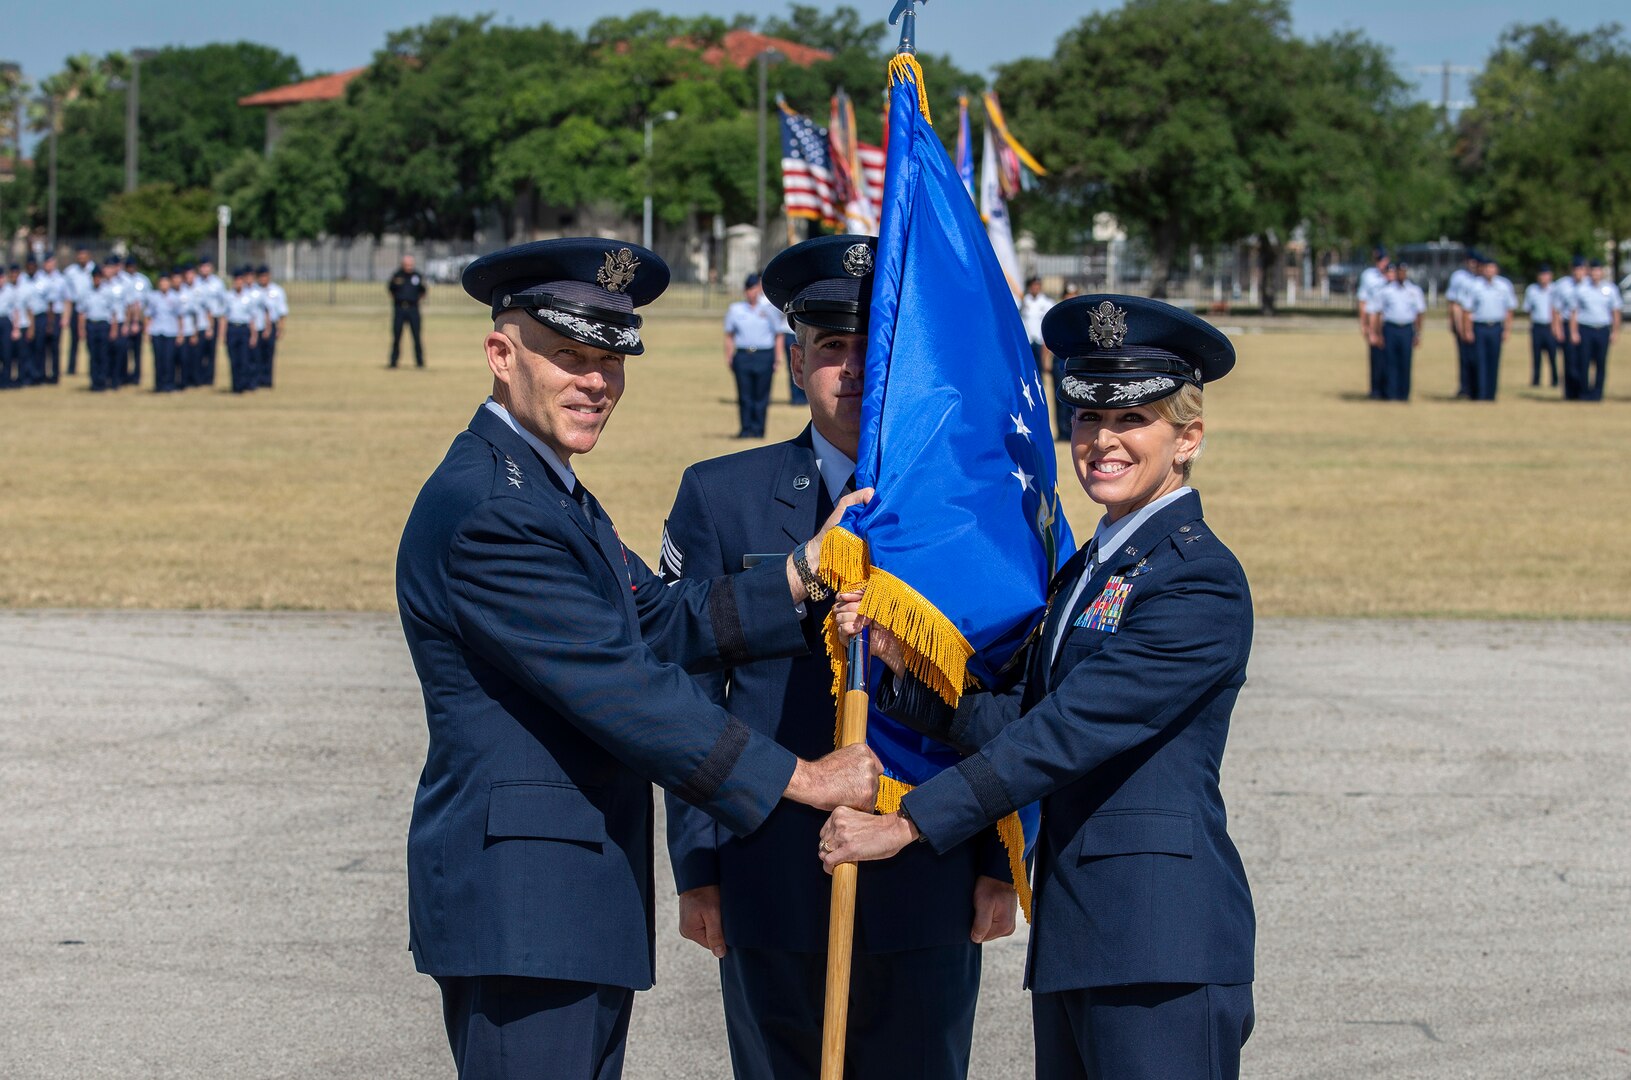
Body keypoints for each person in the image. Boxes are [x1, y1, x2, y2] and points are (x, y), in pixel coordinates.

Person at [396, 238, 882, 1080]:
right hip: (526, 905)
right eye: (570, 358)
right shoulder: (493, 509)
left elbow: (657, 618)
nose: (596, 382)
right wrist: (806, 780)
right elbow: (627, 689)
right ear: (500, 355)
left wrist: (800, 575)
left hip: (561, 901)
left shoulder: (541, 488)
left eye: (611, 359)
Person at [820, 294, 1255, 1080]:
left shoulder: (1196, 583)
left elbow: (1065, 736)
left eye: (1133, 420)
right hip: (1087, 934)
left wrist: (910, 823)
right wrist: (898, 667)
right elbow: (1024, 716)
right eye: (1086, 418)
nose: (1102, 441)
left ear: (1187, 438)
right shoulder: (1093, 568)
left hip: (1159, 942)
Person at [659, 235, 1017, 1080]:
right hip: (766, 866)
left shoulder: (968, 507)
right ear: (792, 359)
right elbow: (685, 685)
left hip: (926, 861)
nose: (852, 371)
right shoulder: (722, 494)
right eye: (830, 348)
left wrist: (1000, 861)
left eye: (874, 350)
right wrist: (697, 865)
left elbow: (1007, 686)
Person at [722, 272, 784, 439]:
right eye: (750, 289)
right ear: (745, 291)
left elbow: (778, 334)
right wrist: (729, 356)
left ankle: (758, 430)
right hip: (743, 355)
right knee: (744, 395)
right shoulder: (735, 309)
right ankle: (745, 428)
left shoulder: (769, 310)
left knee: (761, 396)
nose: (753, 293)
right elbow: (729, 335)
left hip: (764, 355)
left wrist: (778, 358)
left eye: (755, 289)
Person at [1462, 255, 1516, 401]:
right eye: (1487, 268)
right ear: (1482, 269)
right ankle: (1480, 393)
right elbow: (1467, 310)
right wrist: (1467, 330)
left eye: (1492, 267)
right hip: (1479, 327)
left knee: (1494, 361)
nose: (1489, 271)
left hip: (1496, 327)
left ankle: (1491, 394)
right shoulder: (1475, 286)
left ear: (1496, 270)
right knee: (1479, 361)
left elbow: (1509, 310)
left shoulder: (1504, 286)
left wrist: (1507, 329)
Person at [1568, 259, 1622, 403]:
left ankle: (1597, 393)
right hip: (1585, 328)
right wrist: (1573, 332)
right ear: (1589, 272)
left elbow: (1615, 312)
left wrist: (1615, 331)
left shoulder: (1610, 289)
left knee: (1600, 363)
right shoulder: (1581, 289)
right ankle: (1584, 392)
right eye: (1593, 271)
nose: (1595, 274)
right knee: (1583, 362)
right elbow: (1574, 312)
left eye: (1598, 271)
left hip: (1602, 329)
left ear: (1602, 272)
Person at [1371, 261, 1426, 401]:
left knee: (1405, 362)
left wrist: (1417, 333)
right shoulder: (1386, 291)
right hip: (1390, 328)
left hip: (1406, 329)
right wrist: (1378, 333)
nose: (1401, 274)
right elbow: (1378, 312)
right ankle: (1391, 393)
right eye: (1399, 272)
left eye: (1403, 271)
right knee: (1391, 362)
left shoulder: (1414, 291)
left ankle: (1404, 394)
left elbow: (1419, 313)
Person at [1022, 276, 1064, 439]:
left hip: (1040, 343)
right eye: (1033, 286)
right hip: (1027, 342)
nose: (1035, 288)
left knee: (1040, 381)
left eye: (1037, 285)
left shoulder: (1045, 303)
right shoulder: (1023, 302)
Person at [1446, 249, 1481, 398]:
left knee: (1478, 357)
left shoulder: (1481, 279)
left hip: (1479, 323)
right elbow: (1454, 303)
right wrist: (1456, 324)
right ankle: (1465, 387)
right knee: (1464, 357)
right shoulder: (1459, 277)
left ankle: (1479, 387)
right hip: (1462, 320)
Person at [1553, 256, 1588, 400]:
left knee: (1584, 360)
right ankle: (1569, 393)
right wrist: (1557, 329)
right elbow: (1556, 309)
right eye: (1575, 269)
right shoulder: (1562, 285)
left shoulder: (1589, 284)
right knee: (1570, 361)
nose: (1578, 272)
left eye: (1580, 269)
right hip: (1567, 325)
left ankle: (1583, 391)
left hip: (1586, 326)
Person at [1356, 247, 1389, 399]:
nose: (1381, 263)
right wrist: (1364, 324)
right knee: (1376, 357)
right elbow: (1363, 301)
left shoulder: (1393, 274)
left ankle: (1390, 389)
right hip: (1374, 320)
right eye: (1378, 260)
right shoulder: (1368, 276)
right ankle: (1375, 390)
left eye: (1383, 259)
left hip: (1389, 322)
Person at [222, 266, 260, 393]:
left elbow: (252, 318)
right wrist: (222, 335)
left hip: (244, 330)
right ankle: (236, 386)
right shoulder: (228, 297)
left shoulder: (248, 297)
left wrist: (254, 335)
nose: (238, 283)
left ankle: (244, 384)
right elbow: (224, 317)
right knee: (234, 360)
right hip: (232, 329)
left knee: (244, 359)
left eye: (240, 280)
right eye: (236, 280)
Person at [1523, 264, 1559, 389]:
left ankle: (1555, 380)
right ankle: (1536, 380)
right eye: (1542, 275)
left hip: (1550, 326)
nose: (1544, 277)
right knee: (1536, 356)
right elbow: (1528, 309)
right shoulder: (1532, 290)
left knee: (1552, 355)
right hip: (1537, 326)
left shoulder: (1555, 289)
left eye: (1546, 274)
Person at [388, 255, 427, 368]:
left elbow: (423, 291)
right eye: (407, 264)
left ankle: (420, 362)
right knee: (396, 336)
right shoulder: (397, 275)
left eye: (410, 264)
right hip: (399, 309)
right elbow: (390, 290)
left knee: (416, 336)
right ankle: (393, 362)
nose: (409, 266)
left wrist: (415, 301)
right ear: (402, 264)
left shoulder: (417, 276)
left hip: (413, 309)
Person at [145, 271, 182, 393]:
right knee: (158, 360)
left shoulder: (175, 298)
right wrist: (147, 332)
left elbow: (179, 316)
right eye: (162, 282)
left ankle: (169, 384)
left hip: (171, 332)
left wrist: (180, 333)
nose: (164, 284)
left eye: (166, 282)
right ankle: (159, 385)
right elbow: (148, 315)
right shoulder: (153, 297)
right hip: (157, 331)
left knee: (169, 359)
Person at [62, 248, 96, 378]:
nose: (82, 257)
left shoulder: (95, 269)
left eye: (84, 255)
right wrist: (66, 316)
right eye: (80, 255)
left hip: (91, 307)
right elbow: (68, 297)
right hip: (76, 307)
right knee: (74, 339)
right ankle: (71, 368)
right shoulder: (70, 272)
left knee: (91, 339)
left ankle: (92, 367)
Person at [195, 258, 228, 386]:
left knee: (211, 351)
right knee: (198, 351)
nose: (205, 269)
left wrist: (220, 324)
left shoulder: (217, 283)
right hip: (199, 320)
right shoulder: (196, 282)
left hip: (213, 319)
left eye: (207, 266)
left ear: (211, 268)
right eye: (202, 266)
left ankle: (209, 379)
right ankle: (198, 378)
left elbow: (223, 303)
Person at [256, 265, 288, 388]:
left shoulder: (277, 291)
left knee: (269, 354)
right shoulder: (254, 291)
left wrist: (281, 328)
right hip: (258, 326)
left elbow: (282, 312)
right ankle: (257, 379)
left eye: (265, 275)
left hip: (272, 326)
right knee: (256, 354)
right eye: (261, 276)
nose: (263, 278)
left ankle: (267, 380)